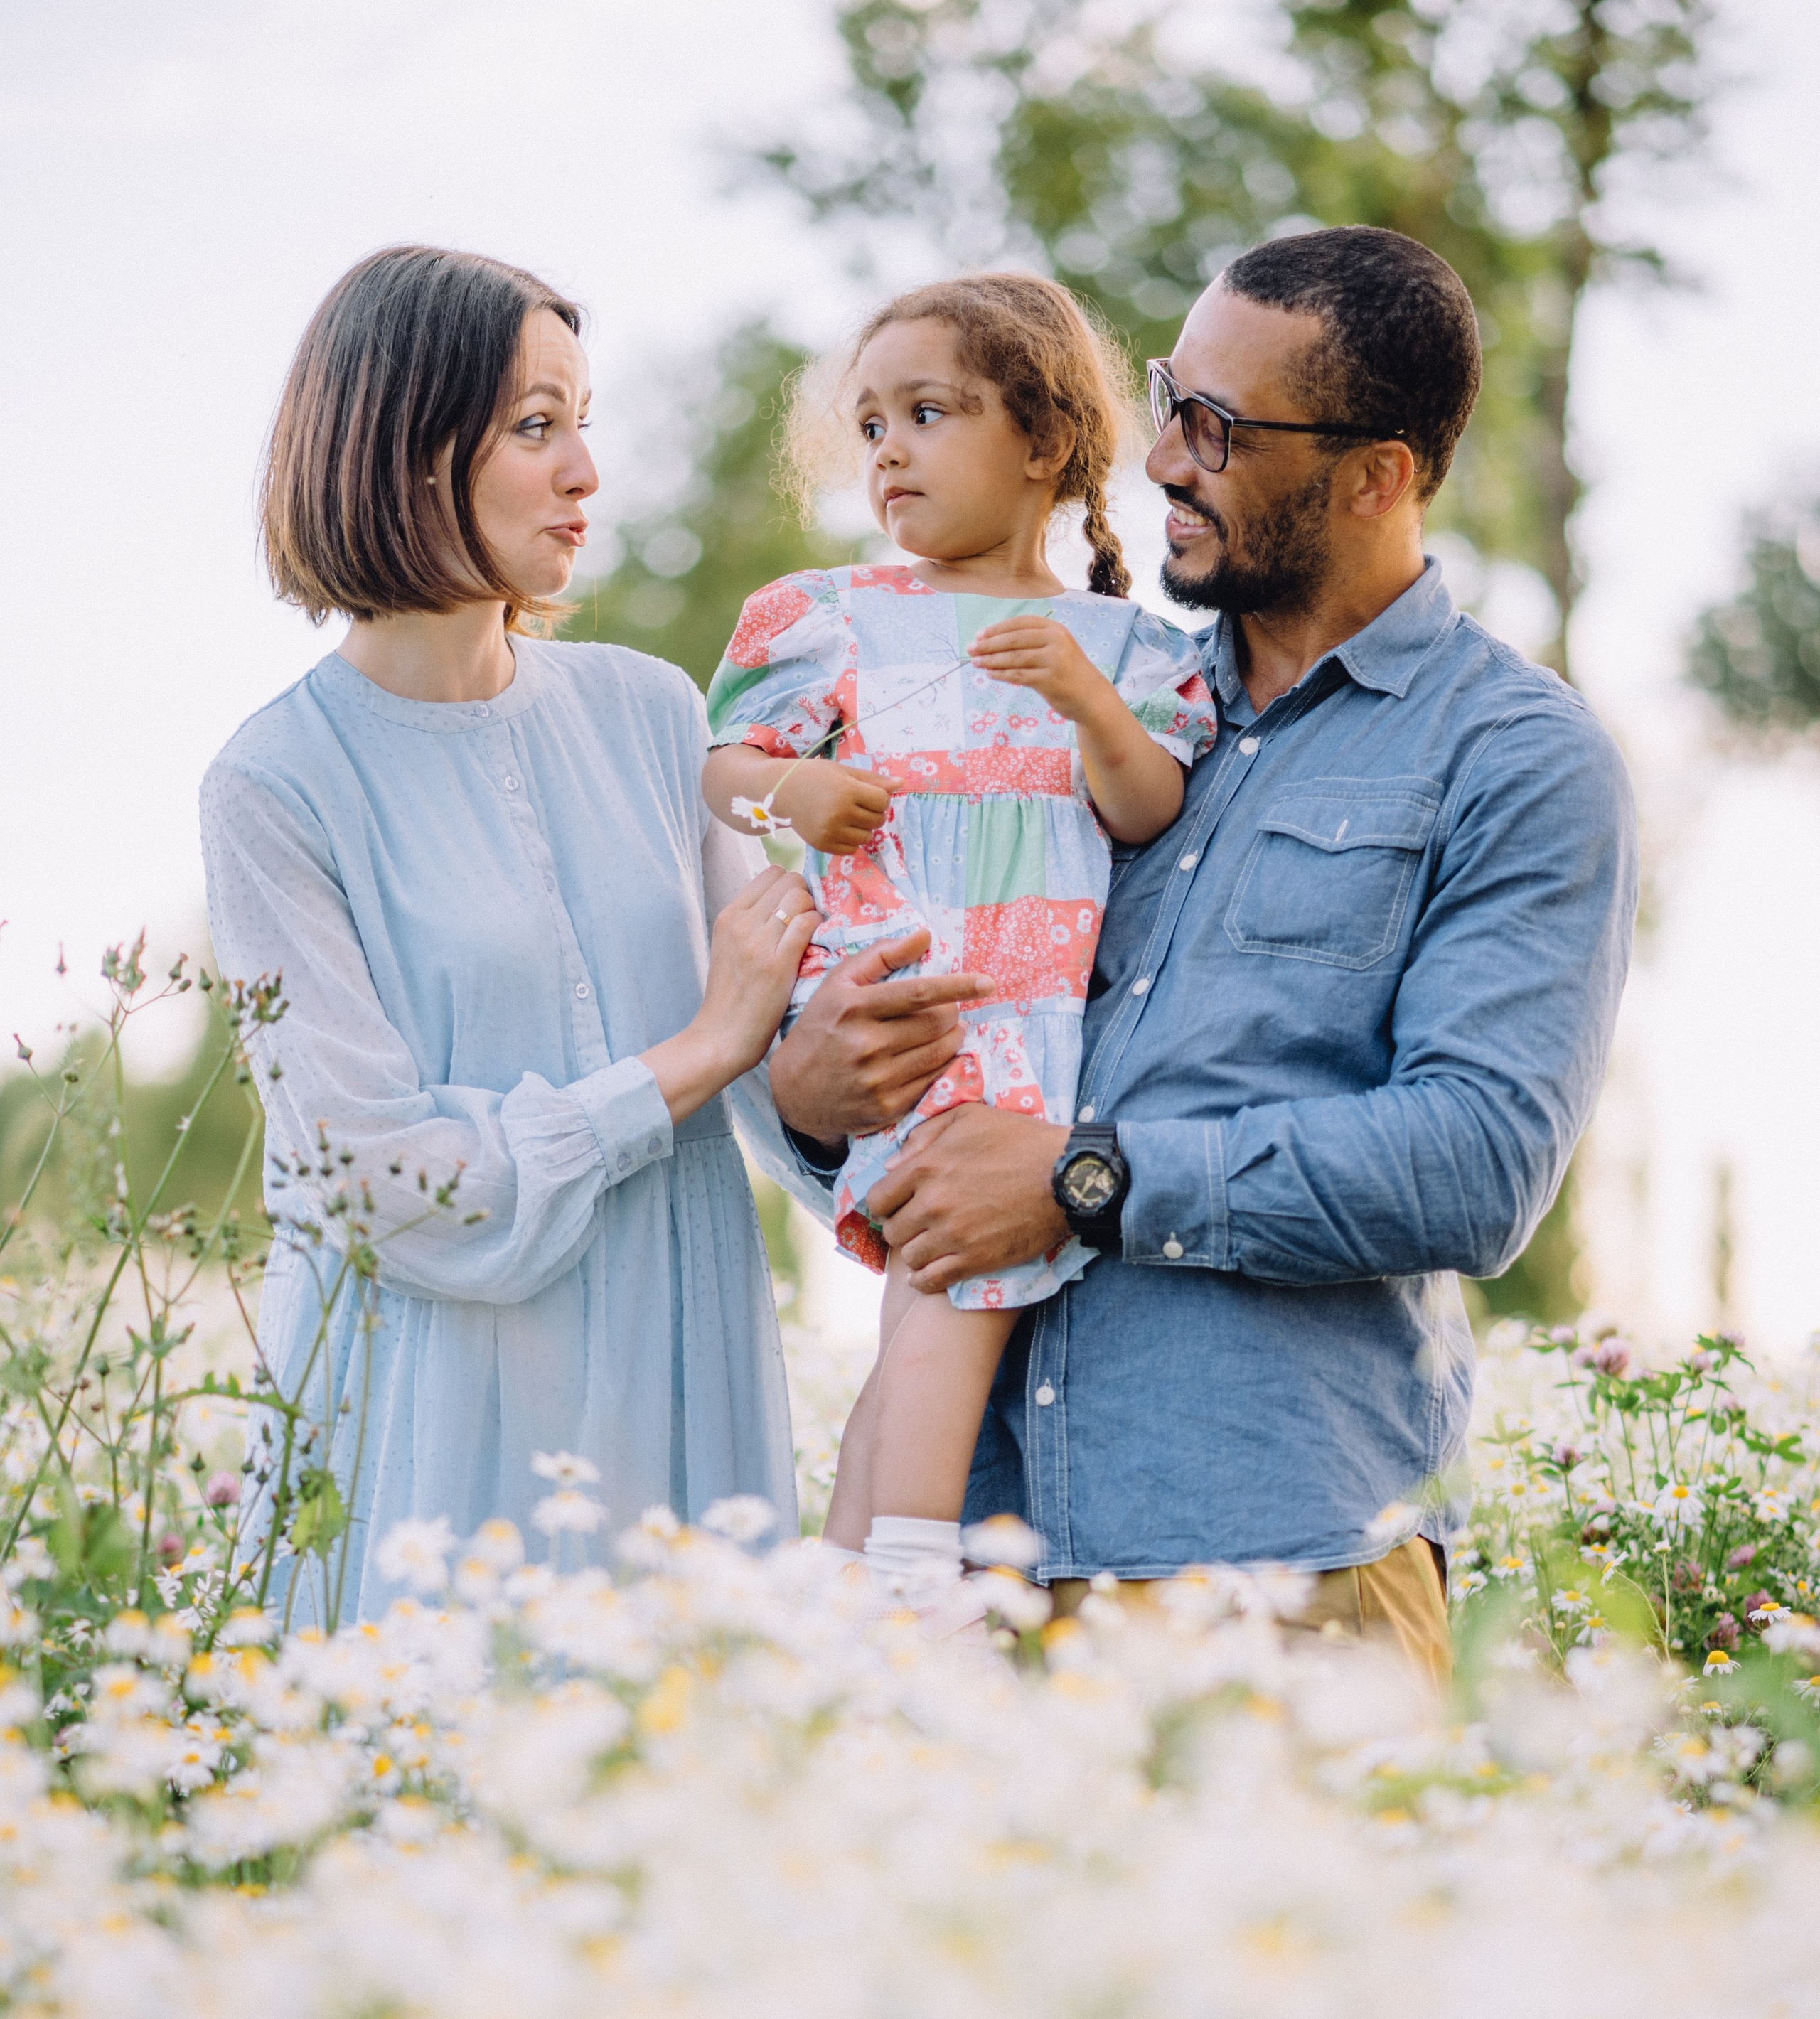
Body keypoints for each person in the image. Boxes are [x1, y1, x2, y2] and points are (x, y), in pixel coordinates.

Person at [767, 227, 1640, 1686]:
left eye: (1217, 428)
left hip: (1280, 1574)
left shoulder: (1510, 756)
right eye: (1172, 398)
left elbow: (1475, 1161)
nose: (1163, 456)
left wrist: (1082, 1179)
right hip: (962, 1572)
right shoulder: (1058, 686)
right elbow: (908, 1092)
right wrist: (805, 1092)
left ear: (1377, 478)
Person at [200, 244, 824, 1624]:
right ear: (401, 448)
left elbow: (779, 1064)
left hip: (679, 1380)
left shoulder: (658, 714)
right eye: (536, 426)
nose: (585, 472)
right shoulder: (276, 786)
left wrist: (846, 1063)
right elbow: (375, 1185)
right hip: (436, 1434)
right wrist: (695, 1054)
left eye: (582, 422)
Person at [704, 274, 1216, 1607]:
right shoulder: (831, 618)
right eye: (870, 425)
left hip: (1030, 1002)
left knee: (930, 1298)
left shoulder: (1129, 649)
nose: (888, 451)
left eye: (927, 414)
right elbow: (718, 770)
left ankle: (849, 1581)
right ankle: (919, 1583)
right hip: (902, 992)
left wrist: (1089, 701)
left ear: (1044, 443)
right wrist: (791, 793)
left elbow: (1147, 803)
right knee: (960, 1294)